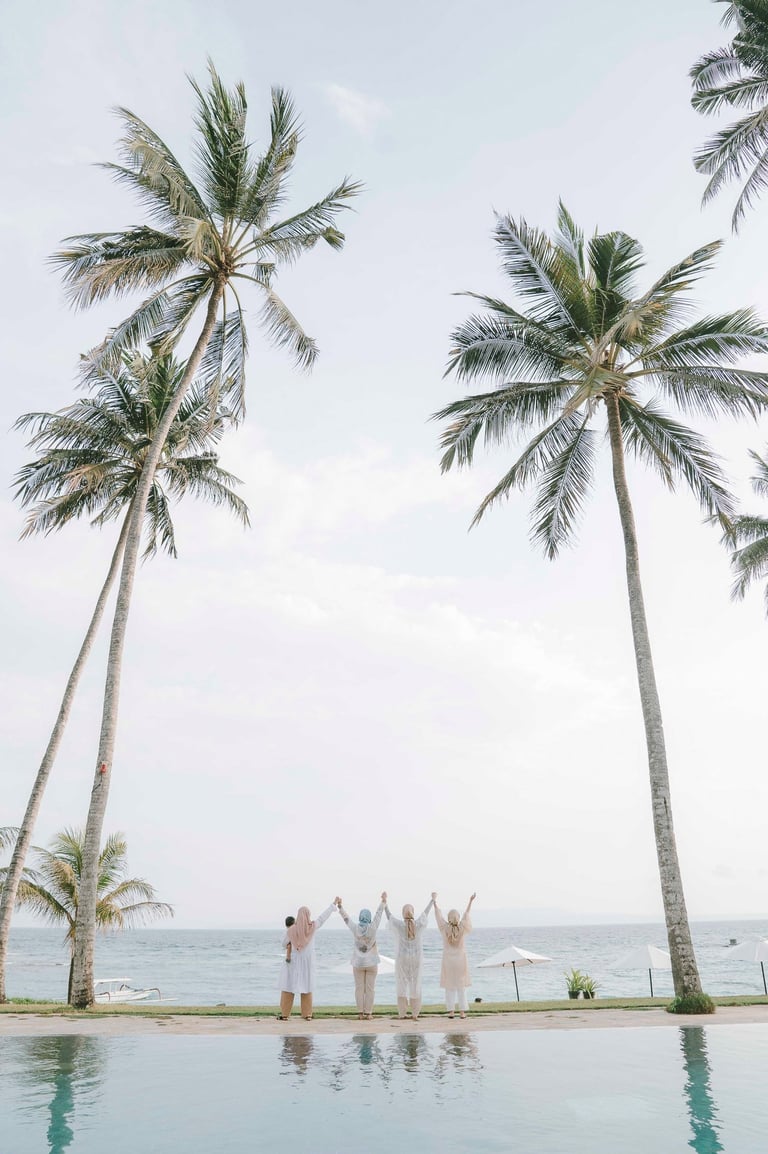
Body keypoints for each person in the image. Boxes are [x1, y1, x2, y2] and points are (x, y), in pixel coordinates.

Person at [278, 900, 337, 1021]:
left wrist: (291, 944)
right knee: (307, 987)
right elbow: (322, 917)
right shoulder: (313, 927)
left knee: (289, 987)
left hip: (293, 963)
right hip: (307, 963)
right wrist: (333, 905)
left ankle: (285, 1014)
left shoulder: (291, 930)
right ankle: (307, 1015)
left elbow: (283, 944)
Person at [384, 892, 434, 1020]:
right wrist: (432, 900)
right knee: (415, 984)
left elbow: (389, 916)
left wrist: (384, 902)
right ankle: (415, 1014)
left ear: (403, 913)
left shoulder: (400, 925)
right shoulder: (418, 924)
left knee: (402, 984)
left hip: (402, 959)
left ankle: (402, 1013)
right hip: (416, 959)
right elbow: (426, 913)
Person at [336, 892, 386, 1019]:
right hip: (372, 963)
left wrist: (340, 906)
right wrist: (383, 901)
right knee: (370, 989)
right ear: (368, 918)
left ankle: (360, 1013)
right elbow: (379, 914)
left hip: (358, 963)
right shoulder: (373, 927)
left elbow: (346, 919)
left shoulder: (355, 928)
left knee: (359, 988)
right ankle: (368, 1013)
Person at [434, 893, 475, 1019]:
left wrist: (434, 901)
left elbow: (438, 916)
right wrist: (470, 901)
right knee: (461, 987)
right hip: (460, 961)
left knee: (449, 986)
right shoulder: (462, 927)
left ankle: (451, 1012)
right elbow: (466, 915)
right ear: (457, 918)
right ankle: (462, 1013)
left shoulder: (444, 928)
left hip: (448, 961)